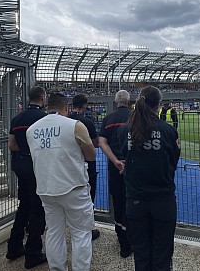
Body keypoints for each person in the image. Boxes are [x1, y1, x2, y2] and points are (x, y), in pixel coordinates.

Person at [26, 93, 96, 271]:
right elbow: (91, 155)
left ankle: (57, 268)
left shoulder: (31, 129)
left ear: (47, 105)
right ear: (66, 106)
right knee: (80, 233)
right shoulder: (75, 125)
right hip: (73, 187)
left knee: (54, 232)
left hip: (46, 188)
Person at [117, 86, 180, 271]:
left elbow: (124, 155)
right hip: (163, 199)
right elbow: (173, 161)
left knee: (141, 253)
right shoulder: (168, 131)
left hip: (136, 199)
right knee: (162, 253)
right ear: (158, 104)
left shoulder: (124, 130)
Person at [6, 86, 47, 269]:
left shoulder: (17, 118)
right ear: (43, 98)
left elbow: (11, 145)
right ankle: (33, 253)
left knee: (24, 206)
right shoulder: (44, 118)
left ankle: (13, 246)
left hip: (21, 165)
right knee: (37, 208)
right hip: (37, 166)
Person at [99, 90, 133, 258]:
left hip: (115, 167)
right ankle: (133, 237)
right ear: (129, 101)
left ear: (115, 102)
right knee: (133, 201)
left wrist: (115, 161)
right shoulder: (135, 116)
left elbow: (102, 143)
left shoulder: (108, 119)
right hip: (134, 166)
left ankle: (123, 241)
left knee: (118, 202)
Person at [69, 93, 100, 241]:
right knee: (88, 196)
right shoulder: (87, 121)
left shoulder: (65, 120)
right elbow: (95, 143)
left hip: (68, 164)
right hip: (86, 165)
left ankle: (73, 225)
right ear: (84, 105)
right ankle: (87, 228)